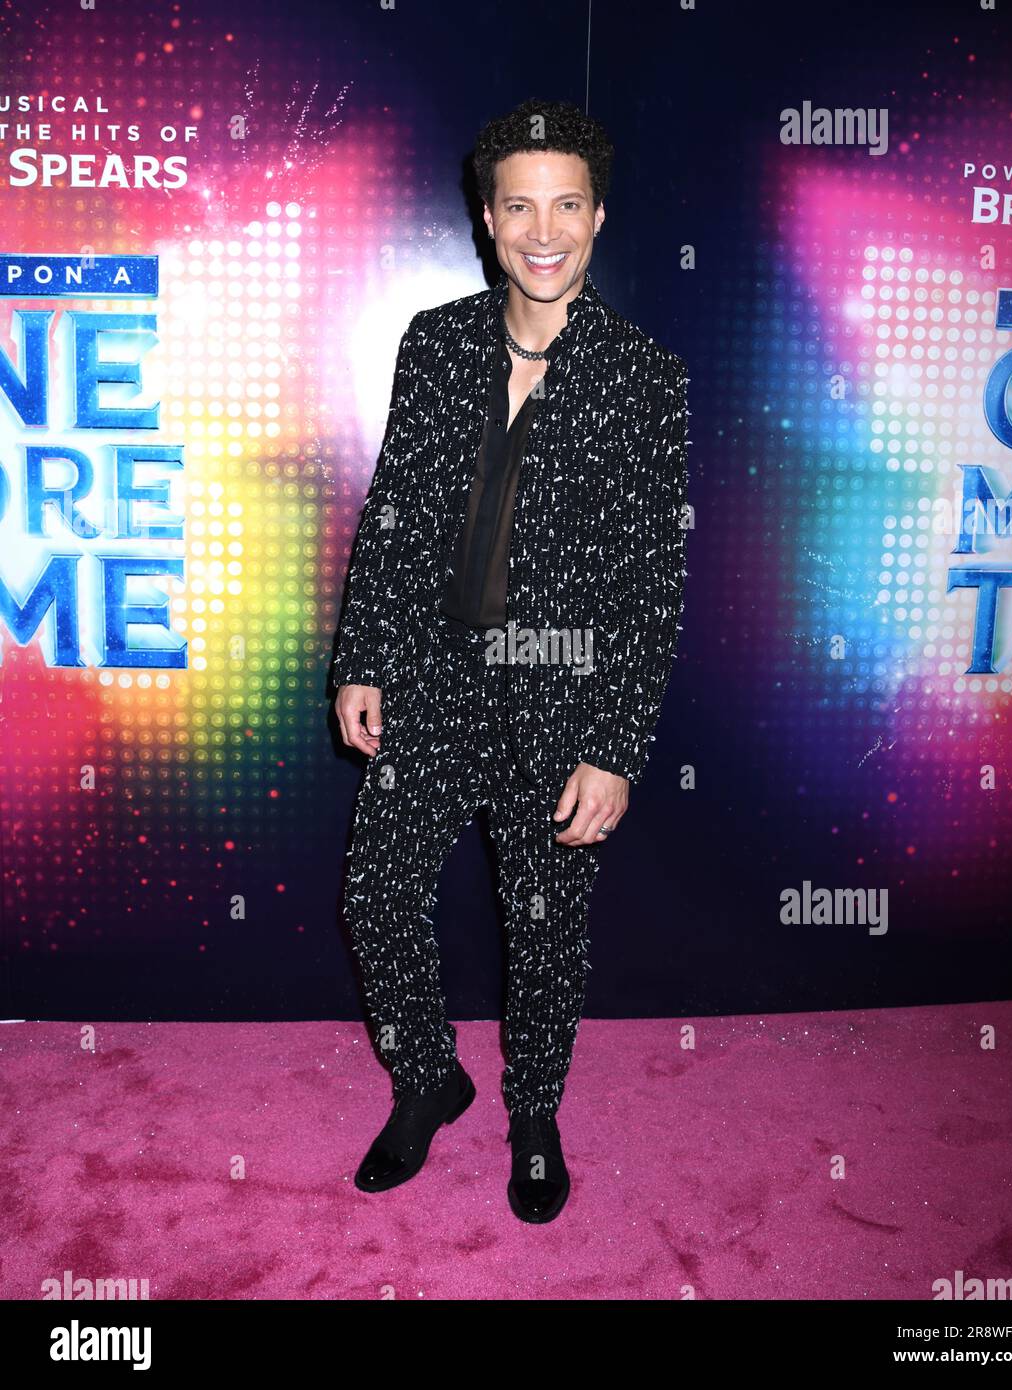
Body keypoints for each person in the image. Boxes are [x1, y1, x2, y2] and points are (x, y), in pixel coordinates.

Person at [331, 98, 689, 1223]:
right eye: (520, 205)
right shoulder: (433, 341)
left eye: (567, 204)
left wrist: (616, 748)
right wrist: (363, 658)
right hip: (432, 681)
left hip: (562, 696)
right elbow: (391, 510)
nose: (545, 229)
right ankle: (428, 1077)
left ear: (596, 216)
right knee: (375, 894)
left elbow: (649, 581)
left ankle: (533, 1113)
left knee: (542, 928)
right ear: (487, 219)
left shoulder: (645, 378)